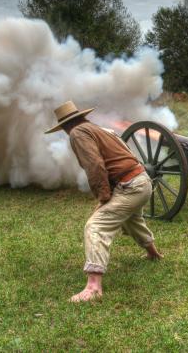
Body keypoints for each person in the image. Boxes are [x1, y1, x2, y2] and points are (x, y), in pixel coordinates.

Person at [45, 101, 162, 302]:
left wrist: (104, 196)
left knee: (95, 226)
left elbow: (95, 166)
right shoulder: (99, 129)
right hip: (142, 181)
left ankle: (93, 288)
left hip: (130, 186)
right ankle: (153, 253)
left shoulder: (77, 133)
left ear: (65, 126)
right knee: (131, 218)